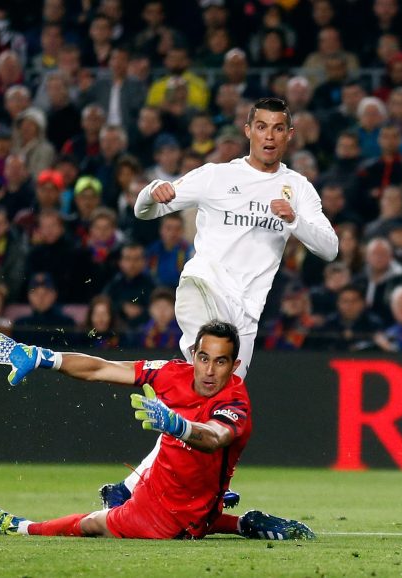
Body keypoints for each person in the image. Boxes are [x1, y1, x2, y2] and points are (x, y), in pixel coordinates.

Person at [102, 97, 337, 509]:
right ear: (248, 130)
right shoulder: (215, 176)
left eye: (278, 128)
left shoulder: (298, 188)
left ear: (289, 135)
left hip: (246, 313)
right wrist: (150, 191)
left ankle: (150, 486)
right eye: (261, 126)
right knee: (210, 390)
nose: (269, 135)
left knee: (224, 403)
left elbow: (331, 249)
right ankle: (139, 485)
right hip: (204, 288)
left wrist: (294, 221)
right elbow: (145, 211)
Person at [0, 321, 315, 541]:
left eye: (221, 361)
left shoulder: (236, 401)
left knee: (92, 523)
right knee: (173, 494)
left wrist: (176, 426)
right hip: (181, 495)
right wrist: (46, 357)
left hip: (166, 520)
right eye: (204, 358)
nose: (209, 370)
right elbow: (105, 369)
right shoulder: (172, 372)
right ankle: (240, 523)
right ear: (193, 355)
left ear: (234, 365)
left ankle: (22, 527)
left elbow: (214, 437)